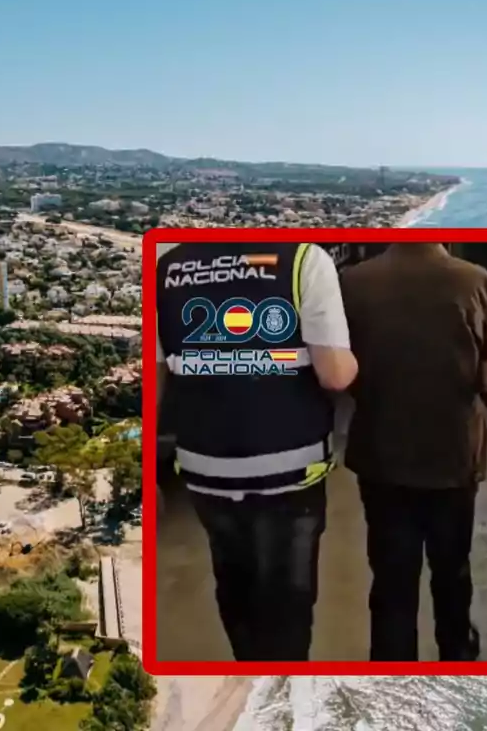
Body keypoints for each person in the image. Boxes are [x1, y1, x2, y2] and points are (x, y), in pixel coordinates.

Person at [155, 240, 358, 661]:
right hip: (289, 467)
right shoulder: (303, 259)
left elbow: (155, 381)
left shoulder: (166, 265)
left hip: (204, 465)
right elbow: (336, 375)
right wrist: (359, 362)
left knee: (233, 581)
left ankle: (249, 671)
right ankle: (282, 693)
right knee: (288, 599)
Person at [339, 242, 487, 661]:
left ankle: (391, 668)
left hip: (382, 452)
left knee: (392, 579)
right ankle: (455, 658)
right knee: (452, 572)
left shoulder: (353, 282)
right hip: (453, 452)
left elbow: (338, 373)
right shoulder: (474, 279)